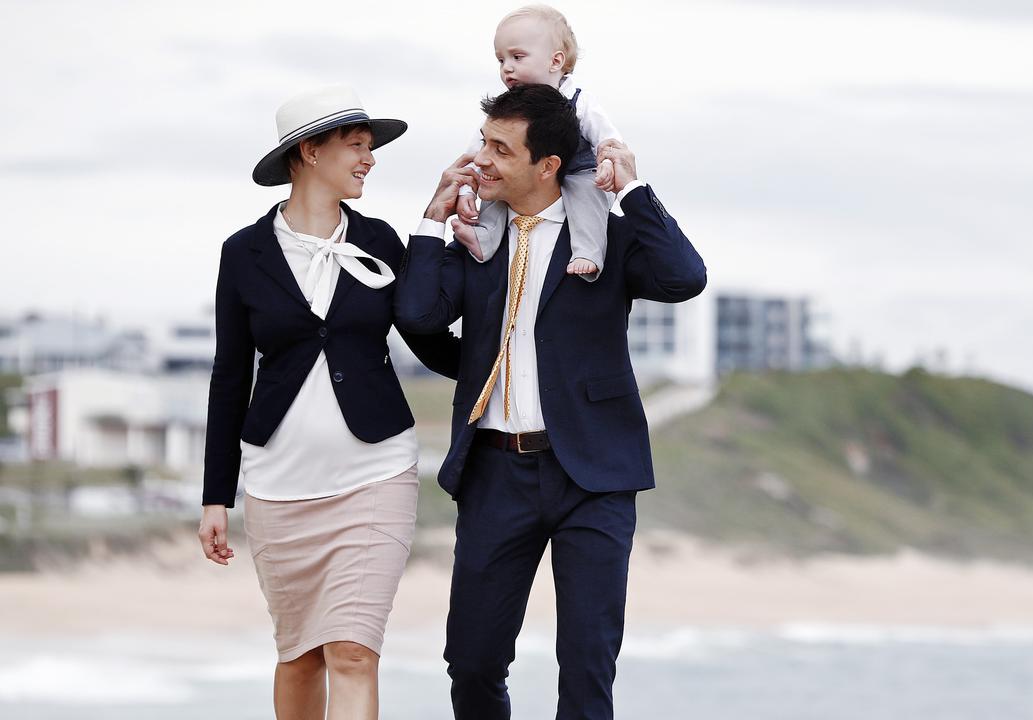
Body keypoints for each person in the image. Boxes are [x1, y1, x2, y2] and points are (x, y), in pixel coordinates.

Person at [395, 83, 706, 720]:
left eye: (499, 149)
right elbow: (419, 315)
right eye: (483, 141)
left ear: (548, 167)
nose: (482, 158)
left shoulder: (607, 242)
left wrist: (633, 190)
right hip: (495, 473)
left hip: (593, 474)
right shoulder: (474, 237)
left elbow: (684, 277)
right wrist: (433, 215)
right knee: (473, 662)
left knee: (587, 665)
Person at [196, 85, 460, 720]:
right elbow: (230, 374)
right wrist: (215, 495)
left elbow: (429, 341)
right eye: (357, 147)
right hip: (278, 485)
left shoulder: (379, 239)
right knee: (300, 655)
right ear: (309, 153)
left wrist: (513, 360)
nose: (370, 160)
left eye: (371, 149)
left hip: (375, 473)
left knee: (351, 650)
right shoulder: (243, 253)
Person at [451, 4, 620, 281]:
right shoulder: (505, 110)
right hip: (523, 181)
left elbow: (608, 138)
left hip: (577, 171)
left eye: (517, 57)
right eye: (501, 60)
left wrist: (608, 164)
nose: (507, 68)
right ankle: (484, 238)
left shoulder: (580, 101)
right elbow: (475, 155)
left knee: (588, 194)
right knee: (496, 185)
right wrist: (467, 192)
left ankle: (588, 250)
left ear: (555, 61)